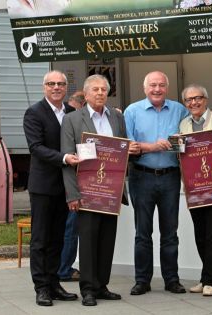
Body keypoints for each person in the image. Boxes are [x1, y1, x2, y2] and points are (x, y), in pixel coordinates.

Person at [124, 71, 212, 296]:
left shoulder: (180, 110)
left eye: (161, 85)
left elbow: (199, 118)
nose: (157, 89)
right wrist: (151, 146)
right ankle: (142, 280)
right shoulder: (132, 111)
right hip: (141, 176)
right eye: (153, 85)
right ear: (145, 88)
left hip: (171, 177)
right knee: (143, 232)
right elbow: (128, 145)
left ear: (167, 88)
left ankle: (172, 279)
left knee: (170, 232)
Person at [61, 74, 140, 306]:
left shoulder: (117, 117)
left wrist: (131, 150)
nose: (100, 93)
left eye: (104, 89)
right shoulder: (73, 120)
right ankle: (87, 289)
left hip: (111, 190)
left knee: (107, 239)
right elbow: (67, 160)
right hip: (86, 191)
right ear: (85, 95)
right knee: (87, 240)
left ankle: (101, 285)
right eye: (95, 89)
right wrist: (72, 194)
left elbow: (122, 148)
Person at [23, 70, 79, 306]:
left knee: (59, 238)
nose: (56, 87)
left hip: (65, 186)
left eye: (60, 84)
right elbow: (36, 148)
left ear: (66, 87)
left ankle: (54, 283)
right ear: (44, 87)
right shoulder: (34, 112)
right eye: (51, 84)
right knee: (40, 239)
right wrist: (65, 158)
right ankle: (41, 288)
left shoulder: (72, 112)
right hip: (43, 186)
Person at [179, 84, 212, 297]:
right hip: (194, 188)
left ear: (206, 100)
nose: (194, 103)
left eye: (198, 98)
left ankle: (210, 279)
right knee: (200, 234)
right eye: (189, 100)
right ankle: (206, 277)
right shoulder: (183, 124)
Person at [58, 90, 86, 283]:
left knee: (68, 228)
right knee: (71, 229)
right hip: (73, 181)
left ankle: (62, 267)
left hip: (65, 182)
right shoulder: (72, 119)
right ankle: (64, 269)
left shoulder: (67, 114)